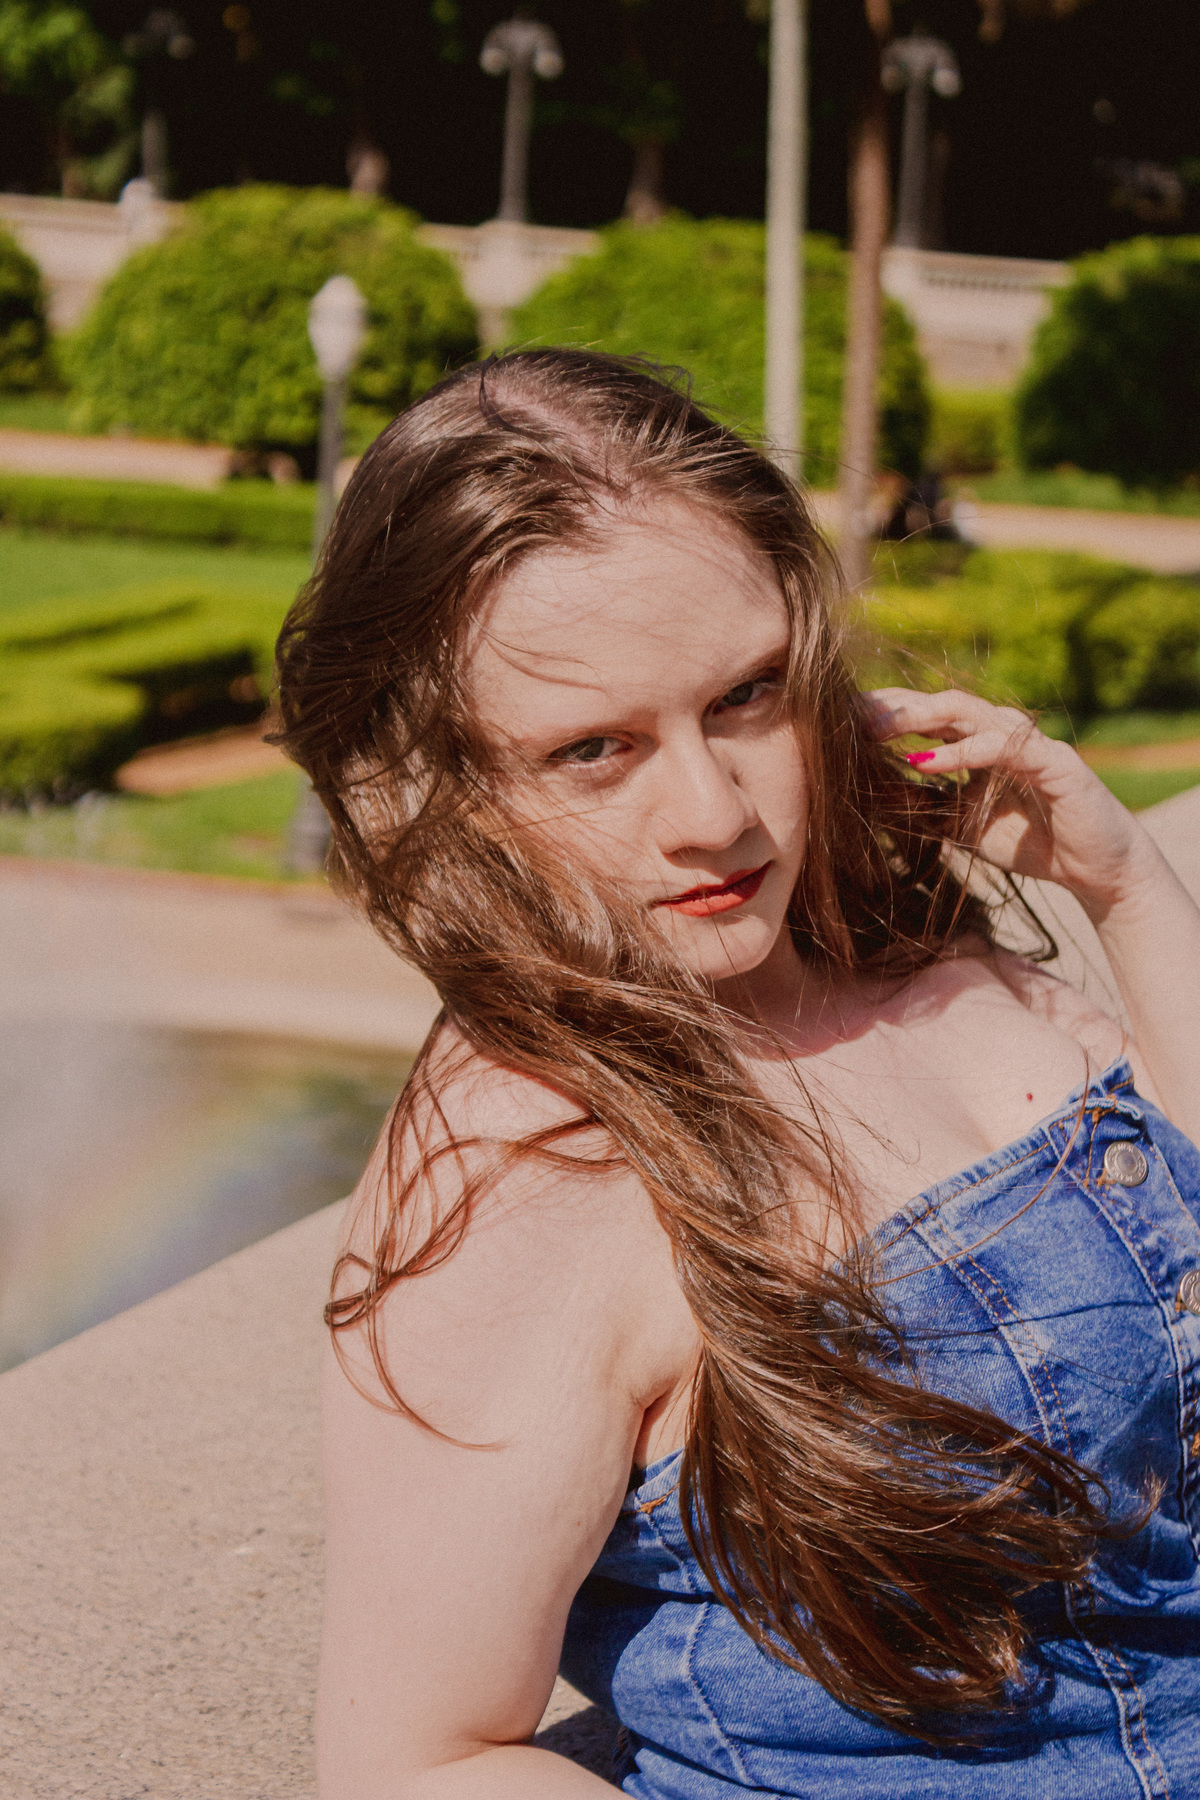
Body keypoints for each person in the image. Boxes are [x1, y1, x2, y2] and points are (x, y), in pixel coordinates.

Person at [274, 350, 1200, 1799]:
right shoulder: (531, 1167)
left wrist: (1131, 890)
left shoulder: (908, 953)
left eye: (750, 696)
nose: (712, 814)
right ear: (438, 776)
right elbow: (417, 1758)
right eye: (595, 750)